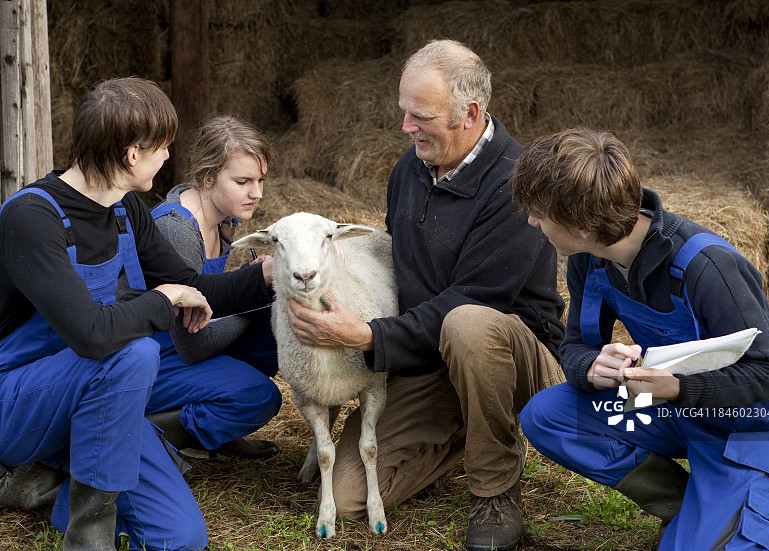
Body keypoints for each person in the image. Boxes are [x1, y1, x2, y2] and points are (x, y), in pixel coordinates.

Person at [286, 39, 565, 551]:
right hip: (430, 353)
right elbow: (395, 263)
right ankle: (466, 429)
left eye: (421, 115)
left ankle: (496, 487)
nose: (406, 127)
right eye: (404, 112)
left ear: (470, 113)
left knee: (468, 324)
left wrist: (368, 335)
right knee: (348, 497)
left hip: (512, 355)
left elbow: (472, 300)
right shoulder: (408, 172)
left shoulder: (516, 183)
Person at [0, 77, 275, 550]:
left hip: (100, 401)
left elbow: (198, 287)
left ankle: (57, 490)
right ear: (133, 154)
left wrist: (273, 274)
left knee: (182, 538)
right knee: (133, 354)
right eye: (163, 147)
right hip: (20, 399)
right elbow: (91, 334)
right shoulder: (31, 218)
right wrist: (164, 299)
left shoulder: (128, 208)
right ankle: (89, 539)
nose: (168, 158)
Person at [512, 126, 769, 550]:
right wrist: (592, 367)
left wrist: (679, 388)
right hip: (677, 408)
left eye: (540, 212)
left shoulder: (706, 267)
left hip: (758, 420)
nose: (532, 220)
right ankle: (691, 506)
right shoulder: (589, 261)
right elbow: (575, 346)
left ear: (586, 224)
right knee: (548, 416)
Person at [118, 114, 282, 461]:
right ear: (208, 177)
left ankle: (218, 425)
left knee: (273, 329)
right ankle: (158, 432)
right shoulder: (178, 229)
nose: (257, 193)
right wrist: (252, 299)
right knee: (261, 396)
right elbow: (192, 345)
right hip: (151, 356)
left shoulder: (222, 219)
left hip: (182, 344)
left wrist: (251, 295)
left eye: (261, 180)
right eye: (243, 181)